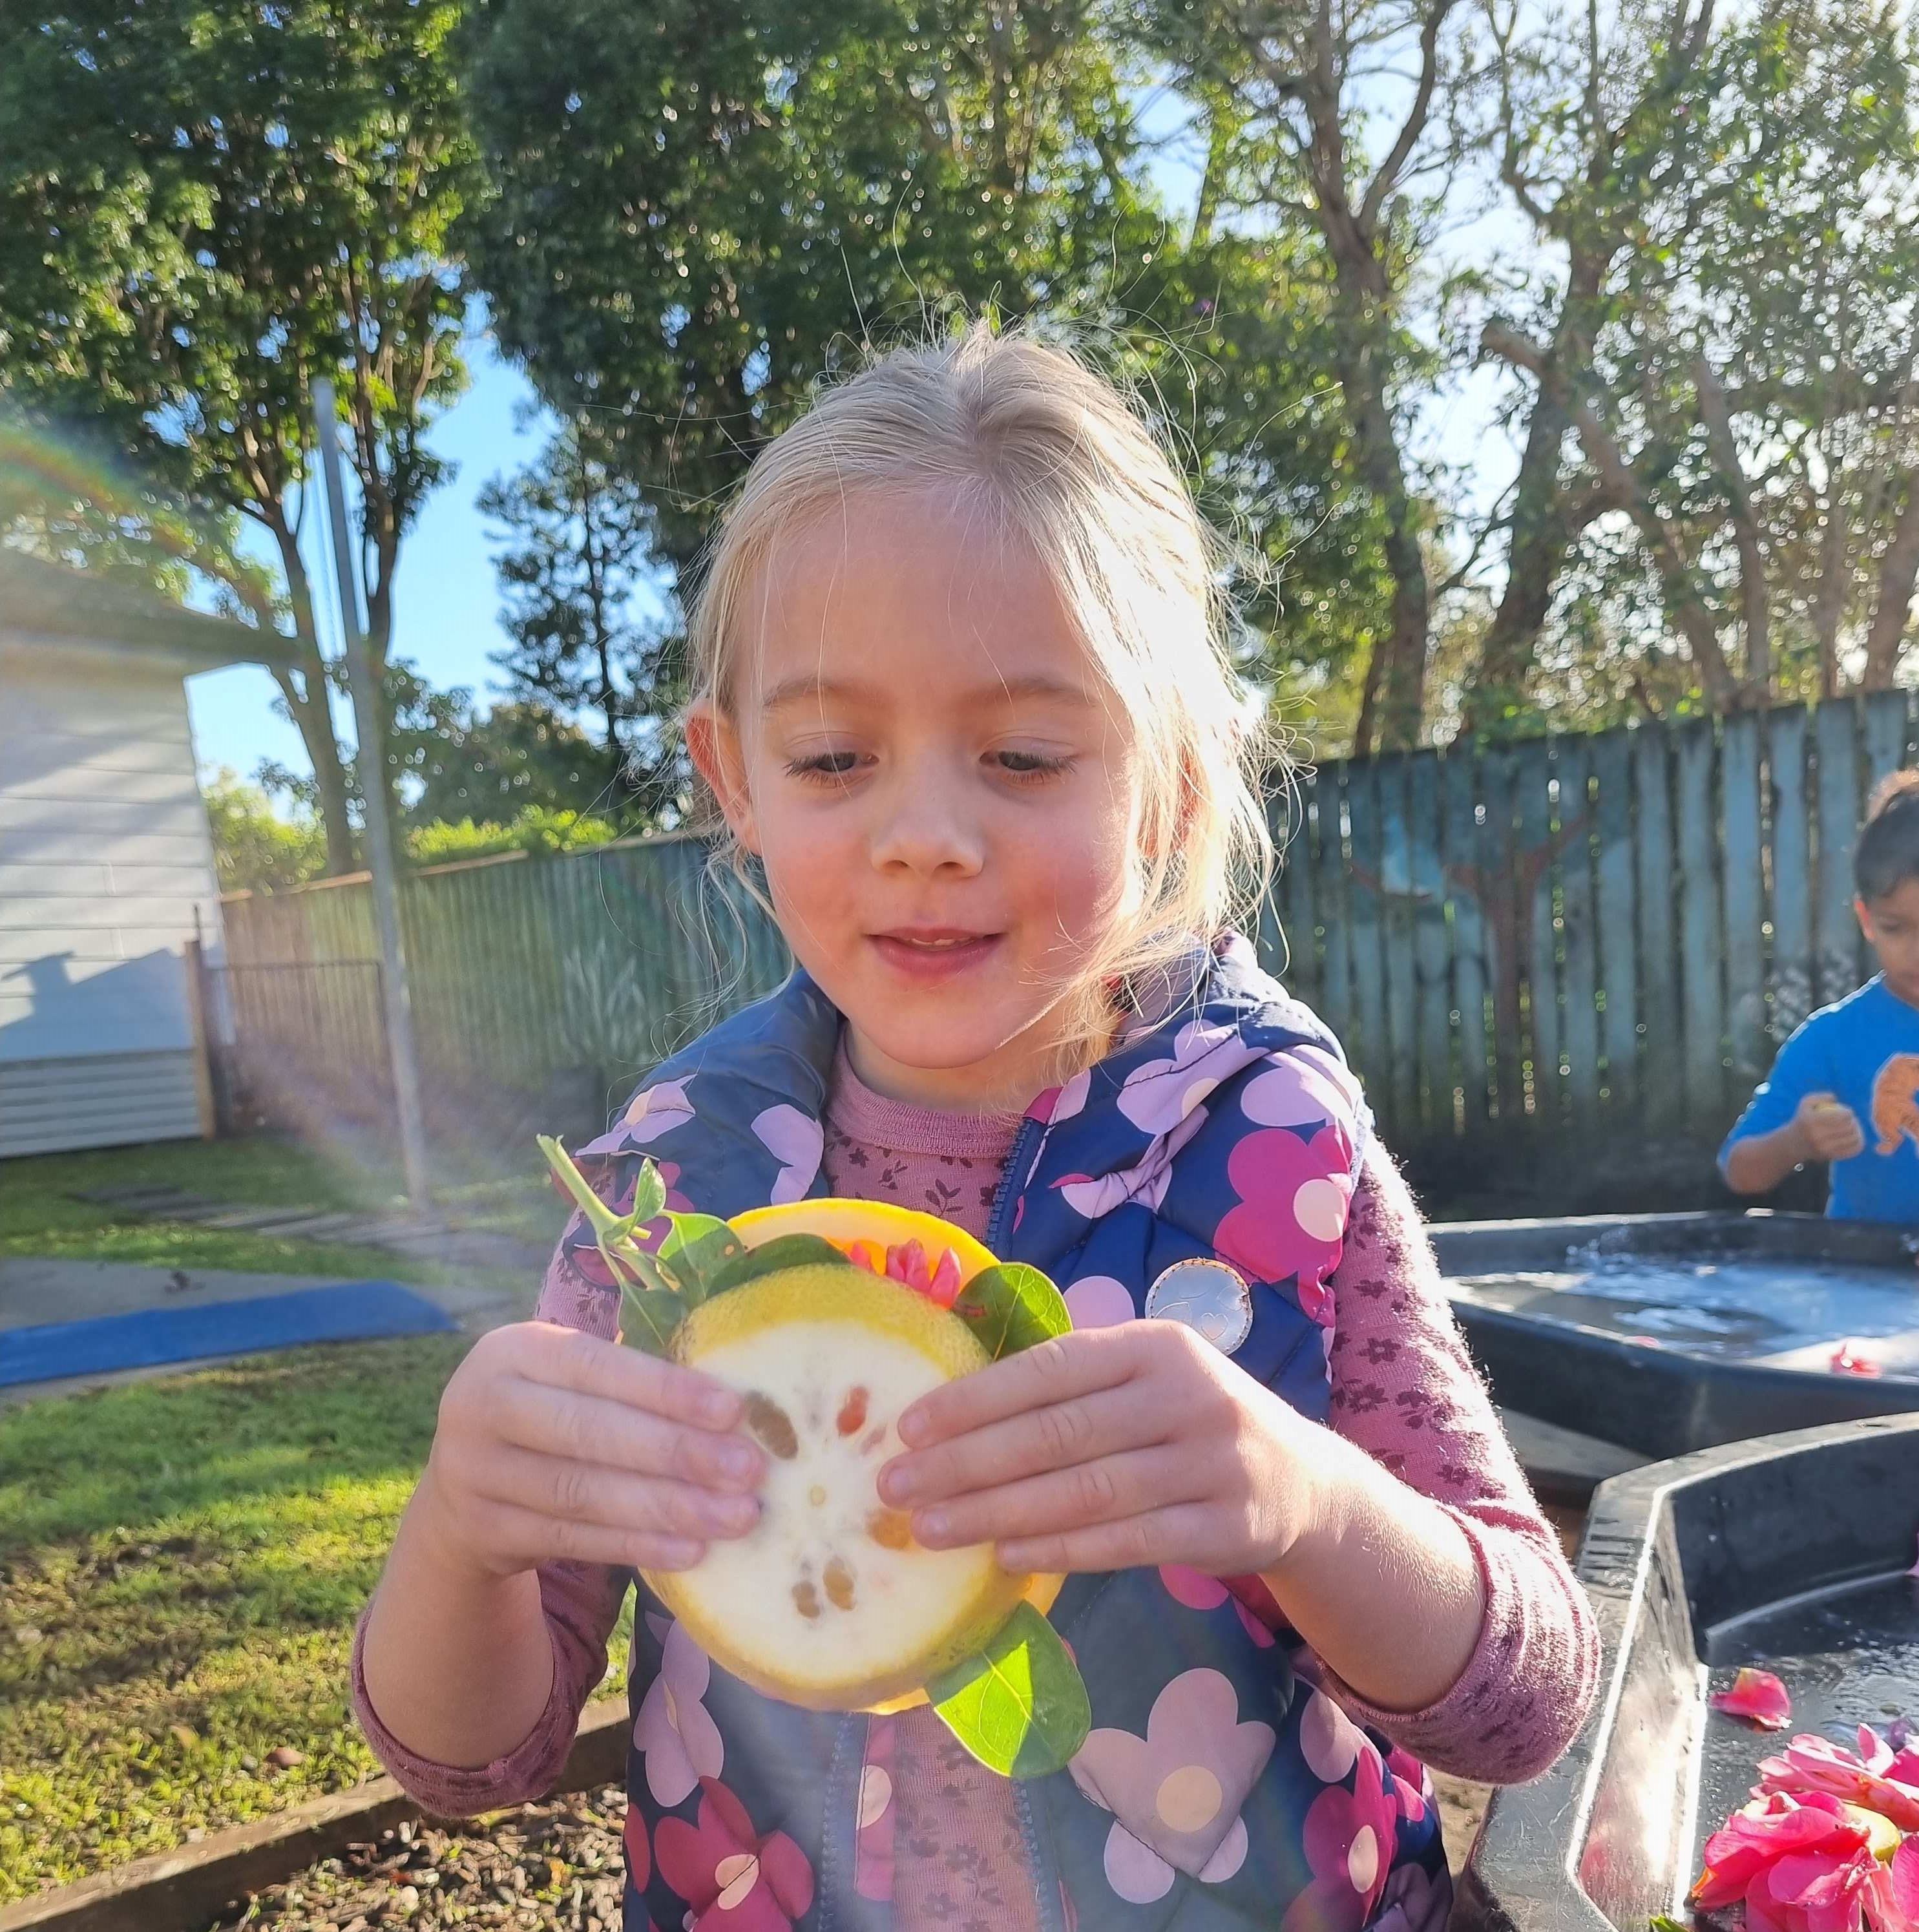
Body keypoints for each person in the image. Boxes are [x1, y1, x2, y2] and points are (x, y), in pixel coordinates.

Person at [352, 326, 1599, 1932]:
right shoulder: (665, 1197)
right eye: (831, 758)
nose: (926, 836)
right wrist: (462, 1530)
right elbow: (471, 1764)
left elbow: (1525, 1704)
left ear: (1159, 786)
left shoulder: (1276, 1148)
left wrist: (1303, 1499)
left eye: (1021, 755)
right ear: (734, 782)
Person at [1722, 770, 1919, 1224]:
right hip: (1857, 1284)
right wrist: (1797, 1141)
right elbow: (1739, 1169)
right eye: (1895, 928)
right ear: (1866, 919)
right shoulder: (1834, 1038)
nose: (1915, 951)